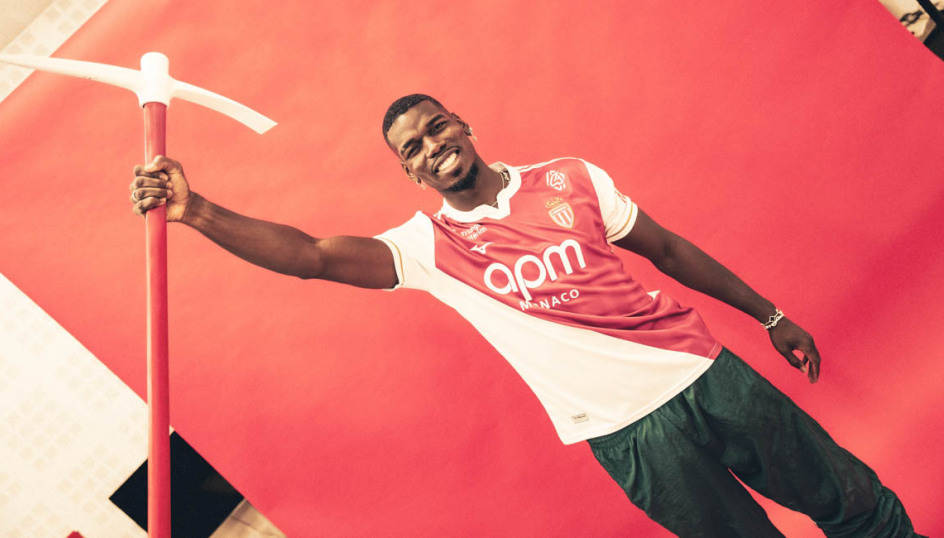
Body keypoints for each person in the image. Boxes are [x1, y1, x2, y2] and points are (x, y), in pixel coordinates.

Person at [129, 94, 921, 537]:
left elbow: (669, 250)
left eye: (436, 126)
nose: (431, 146)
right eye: (412, 148)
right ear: (409, 173)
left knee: (850, 501)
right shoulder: (429, 247)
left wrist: (771, 314)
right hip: (625, 435)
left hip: (706, 376)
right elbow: (310, 254)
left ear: (463, 125)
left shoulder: (568, 177)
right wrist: (198, 211)